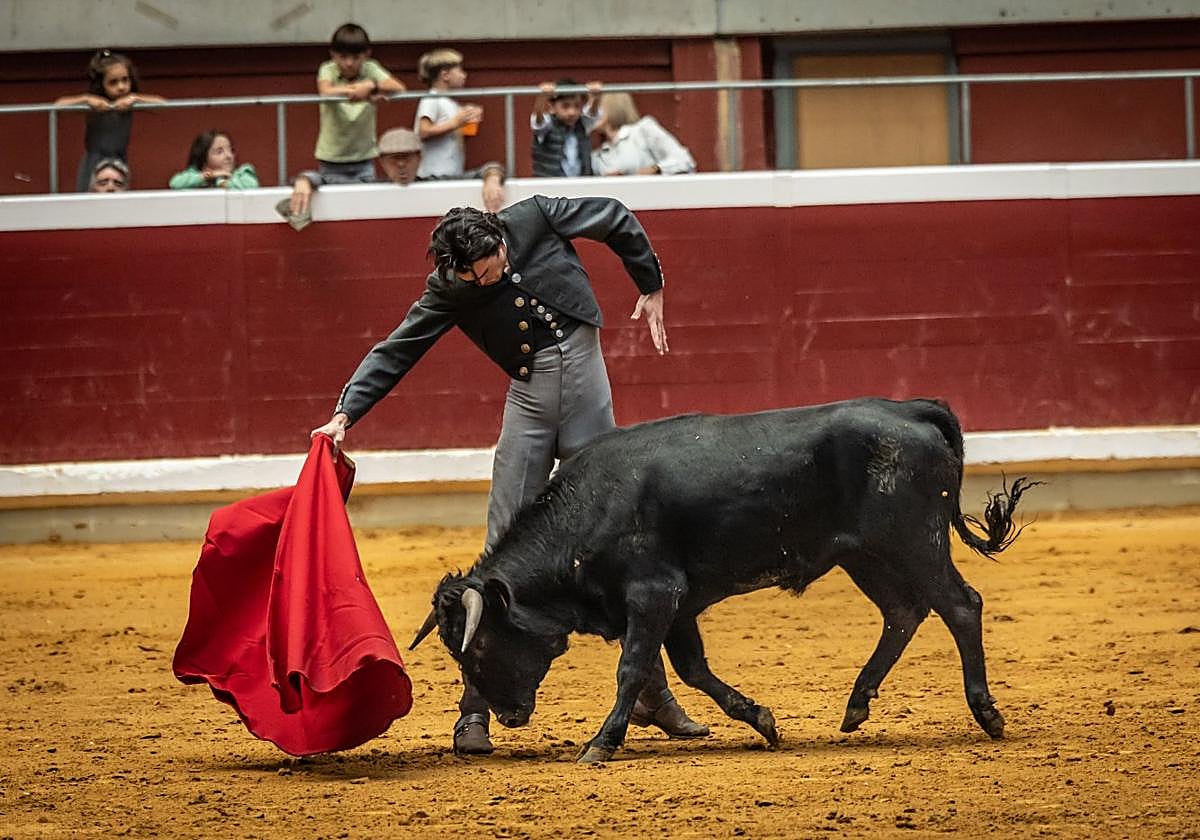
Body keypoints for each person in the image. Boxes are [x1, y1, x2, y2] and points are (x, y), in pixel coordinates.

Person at [309, 196, 709, 755]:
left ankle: (650, 696)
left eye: (491, 266)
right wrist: (345, 413)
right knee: (500, 554)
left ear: (500, 239)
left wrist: (649, 282)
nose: (487, 279)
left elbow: (614, 216)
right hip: (529, 401)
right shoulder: (451, 287)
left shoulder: (535, 217)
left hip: (586, 389)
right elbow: (397, 349)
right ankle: (473, 712)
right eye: (474, 276)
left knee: (617, 547)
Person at [278, 127, 505, 230]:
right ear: (382, 162)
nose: (401, 166)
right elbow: (323, 179)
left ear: (419, 158)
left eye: (406, 158)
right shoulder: (365, 186)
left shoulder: (436, 182)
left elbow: (488, 168)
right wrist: (303, 181)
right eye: (394, 160)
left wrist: (493, 178)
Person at [55, 49, 166, 192]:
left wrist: (137, 99)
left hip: (119, 158)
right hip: (94, 160)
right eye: (113, 82)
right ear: (101, 84)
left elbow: (164, 105)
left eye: (125, 80)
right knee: (87, 198)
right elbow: (57, 107)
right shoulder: (94, 103)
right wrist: (86, 100)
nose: (121, 87)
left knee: (120, 197)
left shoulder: (129, 102)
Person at [313, 23, 406, 184]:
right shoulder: (327, 69)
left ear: (366, 55)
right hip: (332, 158)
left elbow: (399, 88)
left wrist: (371, 86)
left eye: (355, 58)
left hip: (364, 157)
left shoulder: (371, 68)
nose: (349, 63)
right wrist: (355, 90)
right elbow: (325, 91)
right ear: (333, 55)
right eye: (343, 57)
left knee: (366, 205)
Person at [413, 48, 484, 180]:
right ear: (445, 75)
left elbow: (451, 133)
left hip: (452, 171)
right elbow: (423, 131)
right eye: (460, 70)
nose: (464, 75)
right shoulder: (431, 99)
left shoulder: (451, 103)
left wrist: (467, 122)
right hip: (434, 173)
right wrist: (456, 122)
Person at [592, 92, 697, 176]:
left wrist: (655, 169)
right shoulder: (597, 153)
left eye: (595, 107)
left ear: (612, 107)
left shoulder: (643, 130)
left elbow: (684, 161)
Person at [530, 78, 602, 178]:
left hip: (581, 183)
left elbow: (592, 113)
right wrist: (542, 97)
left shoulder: (583, 124)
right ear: (551, 107)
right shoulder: (548, 125)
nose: (572, 112)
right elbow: (538, 122)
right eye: (565, 106)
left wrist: (595, 97)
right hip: (550, 185)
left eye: (577, 106)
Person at [168, 129, 260, 190]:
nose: (229, 156)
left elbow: (252, 186)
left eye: (231, 150)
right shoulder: (194, 176)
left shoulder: (242, 173)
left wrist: (221, 181)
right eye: (219, 152)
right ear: (203, 158)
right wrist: (209, 176)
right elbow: (175, 183)